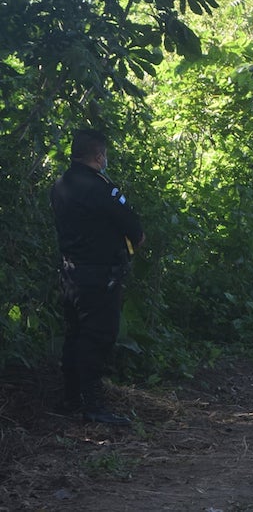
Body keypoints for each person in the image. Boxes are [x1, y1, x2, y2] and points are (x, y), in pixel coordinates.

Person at [51, 129, 145, 425]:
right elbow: (135, 232)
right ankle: (93, 406)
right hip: (100, 276)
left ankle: (71, 398)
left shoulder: (60, 185)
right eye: (104, 154)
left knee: (75, 334)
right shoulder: (102, 189)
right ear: (98, 155)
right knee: (98, 338)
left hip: (70, 274)